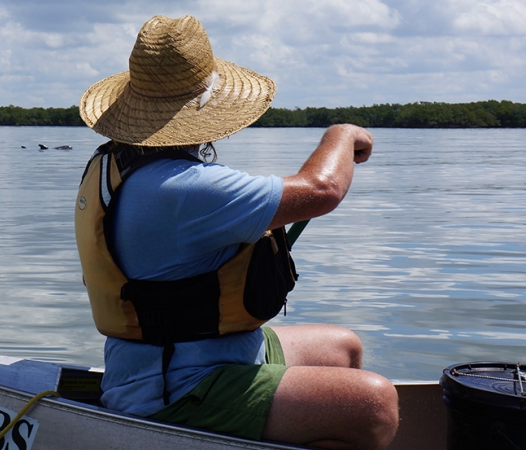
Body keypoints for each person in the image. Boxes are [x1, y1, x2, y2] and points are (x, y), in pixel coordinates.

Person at [74, 15, 399, 450]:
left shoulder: (112, 167)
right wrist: (342, 134)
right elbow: (322, 190)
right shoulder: (181, 189)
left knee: (344, 348)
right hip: (176, 388)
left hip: (192, 355)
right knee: (374, 405)